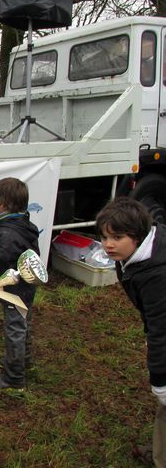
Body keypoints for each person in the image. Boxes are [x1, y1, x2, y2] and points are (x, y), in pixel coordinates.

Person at [95, 197, 166, 468]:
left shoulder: (156, 274)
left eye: (117, 237)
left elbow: (161, 328)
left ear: (137, 236)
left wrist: (160, 380)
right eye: (104, 237)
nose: (108, 245)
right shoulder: (133, 256)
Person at [0, 177, 40, 392]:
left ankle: (14, 378)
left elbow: (2, 262)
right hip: (27, 287)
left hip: (14, 290)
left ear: (2, 203)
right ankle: (24, 360)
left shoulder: (6, 232)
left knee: (15, 329)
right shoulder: (27, 224)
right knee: (24, 323)